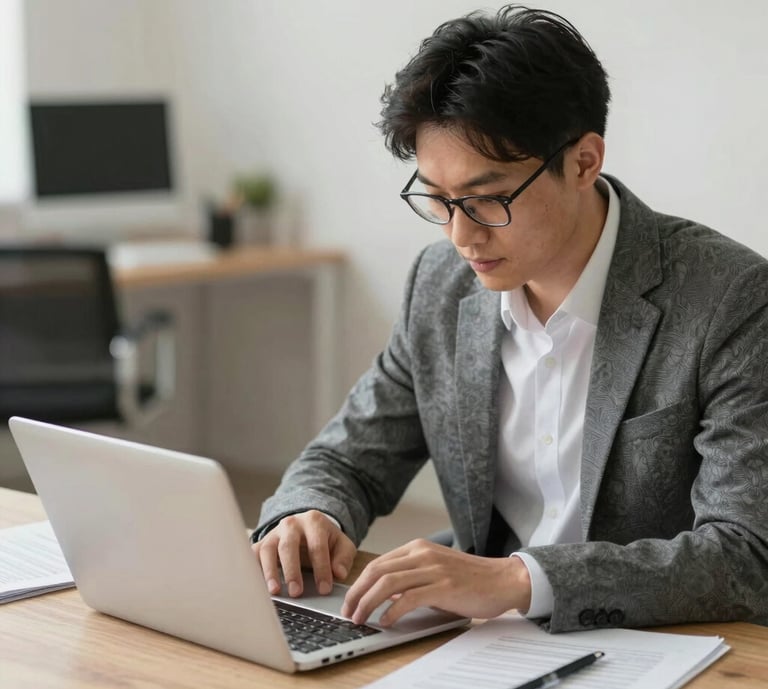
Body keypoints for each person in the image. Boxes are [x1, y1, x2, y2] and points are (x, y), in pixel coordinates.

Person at [252, 5, 768, 633]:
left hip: (657, 642)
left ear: (583, 162)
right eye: (438, 200)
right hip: (485, 640)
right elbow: (349, 457)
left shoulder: (728, 298)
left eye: (489, 198)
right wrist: (308, 515)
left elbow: (746, 554)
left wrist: (519, 580)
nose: (461, 235)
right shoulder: (439, 286)